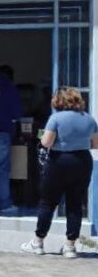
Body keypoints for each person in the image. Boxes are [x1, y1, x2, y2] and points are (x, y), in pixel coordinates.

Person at [21, 87, 98, 258]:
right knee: (75, 204)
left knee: (48, 202)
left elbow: (47, 142)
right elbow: (95, 144)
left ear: (59, 101)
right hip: (82, 161)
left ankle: (38, 243)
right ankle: (70, 247)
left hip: (59, 161)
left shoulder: (55, 118)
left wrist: (45, 138)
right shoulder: (89, 119)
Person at [0, 65, 24, 213]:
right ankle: (4, 204)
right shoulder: (9, 88)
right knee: (2, 170)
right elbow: (17, 113)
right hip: (2, 132)